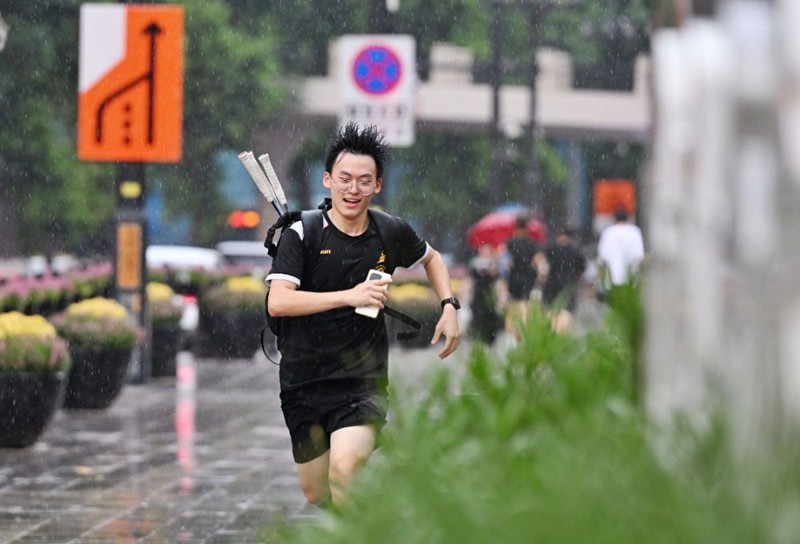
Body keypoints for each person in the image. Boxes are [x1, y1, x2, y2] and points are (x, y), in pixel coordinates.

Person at [266, 122, 461, 507]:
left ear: (377, 186)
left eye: (363, 180)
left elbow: (432, 258)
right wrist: (348, 295)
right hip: (303, 382)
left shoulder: (390, 232)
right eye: (345, 179)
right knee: (316, 491)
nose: (353, 189)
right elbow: (280, 302)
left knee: (343, 471)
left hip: (361, 382)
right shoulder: (302, 234)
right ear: (328, 180)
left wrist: (449, 306)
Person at [535, 226, 586, 332]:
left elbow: (539, 260)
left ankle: (552, 331)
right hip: (568, 285)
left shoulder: (550, 248)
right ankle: (563, 332)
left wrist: (541, 275)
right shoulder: (575, 251)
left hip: (551, 284)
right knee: (567, 312)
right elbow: (581, 269)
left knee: (550, 311)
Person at [503, 215, 539, 332]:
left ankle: (514, 330)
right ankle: (525, 326)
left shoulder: (510, 242)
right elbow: (536, 261)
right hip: (528, 277)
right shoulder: (531, 243)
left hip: (514, 277)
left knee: (513, 304)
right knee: (526, 303)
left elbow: (507, 262)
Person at [596, 207, 645, 292]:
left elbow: (602, 256)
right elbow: (640, 255)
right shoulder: (634, 232)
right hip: (631, 278)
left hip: (613, 278)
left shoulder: (608, 232)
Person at [468, 243, 502, 344]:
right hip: (478, 296)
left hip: (489, 296)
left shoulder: (494, 264)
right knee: (478, 319)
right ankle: (478, 338)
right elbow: (474, 277)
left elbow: (496, 278)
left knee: (490, 318)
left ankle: (490, 339)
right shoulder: (474, 263)